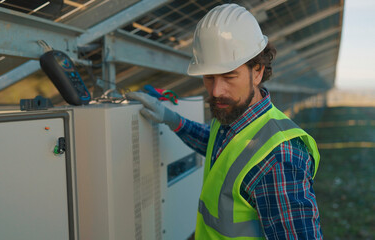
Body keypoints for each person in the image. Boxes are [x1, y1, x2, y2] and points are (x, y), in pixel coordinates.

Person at [127, 3, 322, 240]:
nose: (217, 90)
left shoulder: (278, 158)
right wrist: (173, 120)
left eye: (229, 77)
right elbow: (217, 146)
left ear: (258, 71)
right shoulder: (231, 117)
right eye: (209, 77)